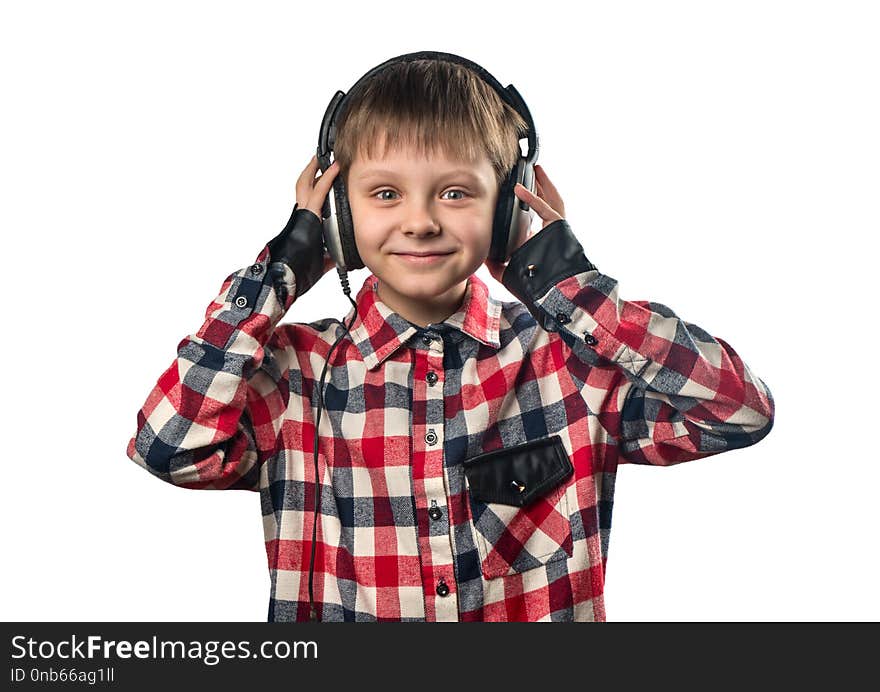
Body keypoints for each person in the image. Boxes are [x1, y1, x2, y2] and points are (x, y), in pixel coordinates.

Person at [125, 54, 775, 622]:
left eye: (456, 193)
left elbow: (737, 412)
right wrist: (281, 270)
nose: (421, 221)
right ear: (340, 218)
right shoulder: (293, 374)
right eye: (384, 193)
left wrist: (567, 283)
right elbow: (168, 449)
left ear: (509, 207)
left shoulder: (571, 366)